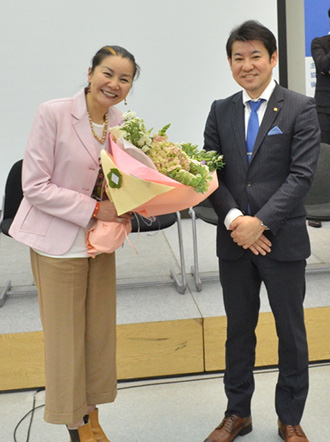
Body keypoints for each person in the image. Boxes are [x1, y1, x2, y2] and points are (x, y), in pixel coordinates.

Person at [9, 45, 139, 442]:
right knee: (66, 338)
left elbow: (123, 178)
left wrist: (134, 199)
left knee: (98, 335)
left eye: (124, 78)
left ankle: (93, 412)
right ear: (89, 72)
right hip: (58, 243)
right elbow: (34, 187)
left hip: (98, 245)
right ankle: (74, 422)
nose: (113, 84)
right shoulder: (53, 113)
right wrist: (95, 210)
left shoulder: (120, 121)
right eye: (107, 73)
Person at [203, 21, 320, 442]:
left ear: (272, 59)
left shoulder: (299, 108)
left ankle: (290, 416)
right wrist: (236, 221)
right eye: (238, 57)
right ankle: (238, 413)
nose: (246, 65)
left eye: (255, 56)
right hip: (234, 242)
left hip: (281, 239)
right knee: (238, 331)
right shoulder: (220, 109)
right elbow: (210, 174)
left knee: (290, 332)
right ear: (230, 63)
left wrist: (260, 223)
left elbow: (301, 175)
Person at [309, 8, 330, 228]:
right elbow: (323, 65)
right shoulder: (319, 42)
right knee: (323, 156)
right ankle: (318, 206)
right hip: (325, 108)